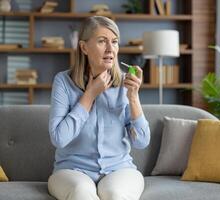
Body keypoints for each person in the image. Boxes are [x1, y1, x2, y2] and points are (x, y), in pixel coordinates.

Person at [47, 16, 150, 200]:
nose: (111, 49)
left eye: (115, 42)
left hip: (119, 170)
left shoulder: (125, 83)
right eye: (102, 41)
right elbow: (59, 138)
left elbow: (141, 142)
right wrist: (90, 95)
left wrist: (133, 97)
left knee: (116, 195)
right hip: (72, 170)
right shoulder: (63, 82)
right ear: (84, 47)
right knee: (81, 194)